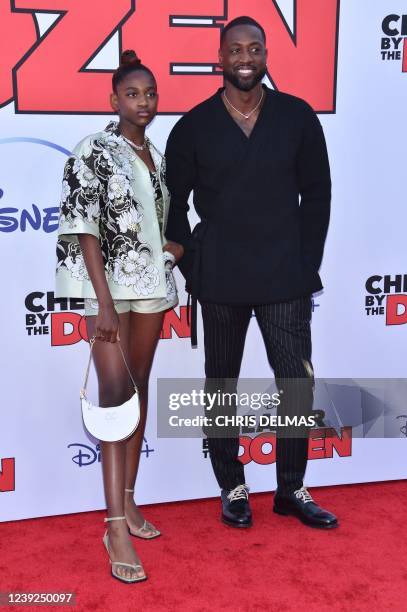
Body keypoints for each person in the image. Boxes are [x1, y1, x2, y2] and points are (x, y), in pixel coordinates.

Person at [165, 17, 338, 529]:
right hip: (219, 278)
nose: (245, 57)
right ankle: (232, 485)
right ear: (220, 58)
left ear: (266, 55)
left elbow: (319, 195)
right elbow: (172, 207)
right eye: (235, 49)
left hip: (286, 274)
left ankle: (291, 489)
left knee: (294, 384)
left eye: (254, 48)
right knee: (221, 384)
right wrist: (196, 264)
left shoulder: (297, 116)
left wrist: (307, 262)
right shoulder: (192, 126)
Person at [55, 50, 183, 583]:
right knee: (115, 401)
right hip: (108, 293)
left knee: (139, 388)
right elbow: (84, 226)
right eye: (133, 93)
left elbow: (161, 226)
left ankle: (129, 501)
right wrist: (103, 302)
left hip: (152, 290)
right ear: (114, 100)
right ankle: (115, 527)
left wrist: (172, 253)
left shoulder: (156, 154)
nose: (144, 101)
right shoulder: (93, 149)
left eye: (150, 93)